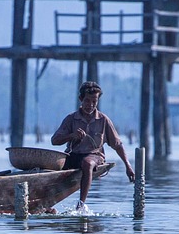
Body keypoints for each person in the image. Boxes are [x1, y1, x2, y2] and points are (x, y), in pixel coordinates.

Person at [50, 80, 136, 212]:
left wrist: (128, 166)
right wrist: (72, 135)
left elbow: (117, 145)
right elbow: (54, 140)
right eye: (87, 101)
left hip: (94, 156)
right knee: (49, 168)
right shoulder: (71, 119)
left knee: (87, 163)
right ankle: (46, 206)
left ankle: (80, 205)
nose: (90, 105)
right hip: (72, 155)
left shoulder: (103, 120)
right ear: (80, 99)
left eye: (94, 102)